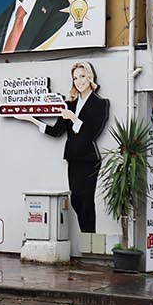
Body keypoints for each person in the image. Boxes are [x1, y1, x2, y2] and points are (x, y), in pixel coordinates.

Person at [42, 60, 110, 235]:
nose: (79, 81)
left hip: (89, 159)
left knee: (86, 200)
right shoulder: (70, 103)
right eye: (75, 78)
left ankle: (89, 237)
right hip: (73, 157)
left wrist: (73, 118)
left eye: (82, 76)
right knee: (76, 200)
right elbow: (57, 131)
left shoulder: (100, 104)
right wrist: (34, 121)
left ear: (89, 77)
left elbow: (90, 133)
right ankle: (87, 234)